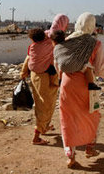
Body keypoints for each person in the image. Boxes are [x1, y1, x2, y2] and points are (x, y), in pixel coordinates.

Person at [57, 12, 104, 168]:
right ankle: (89, 148)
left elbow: (58, 63)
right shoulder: (95, 44)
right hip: (87, 86)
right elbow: (100, 69)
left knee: (68, 118)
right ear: (92, 25)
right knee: (91, 115)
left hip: (67, 84)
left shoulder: (67, 41)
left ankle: (70, 155)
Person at [20, 14, 69, 145]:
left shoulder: (43, 39)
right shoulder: (50, 40)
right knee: (44, 104)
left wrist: (23, 72)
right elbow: (29, 57)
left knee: (50, 102)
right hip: (41, 76)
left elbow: (28, 57)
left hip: (47, 75)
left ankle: (45, 126)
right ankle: (37, 135)